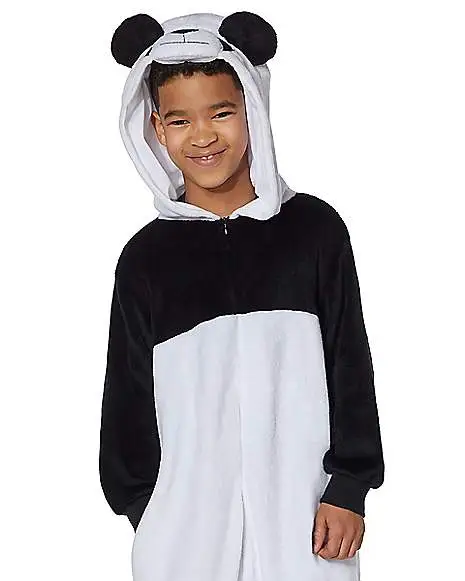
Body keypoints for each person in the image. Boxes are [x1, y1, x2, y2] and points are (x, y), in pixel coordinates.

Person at [99, 10, 385, 581]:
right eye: (180, 119)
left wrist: (350, 485)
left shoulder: (313, 231)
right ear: (156, 128)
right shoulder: (145, 260)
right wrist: (146, 510)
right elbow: (126, 398)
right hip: (183, 533)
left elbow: (349, 361)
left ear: (253, 107)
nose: (203, 136)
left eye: (222, 112)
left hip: (308, 520)